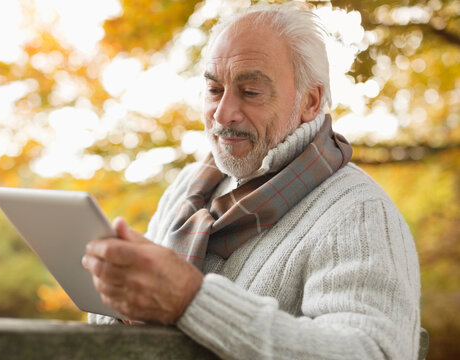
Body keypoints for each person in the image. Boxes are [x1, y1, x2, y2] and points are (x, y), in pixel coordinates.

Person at [82, 3, 421, 359]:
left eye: (251, 92)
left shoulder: (358, 212)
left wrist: (190, 300)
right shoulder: (187, 187)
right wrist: (117, 291)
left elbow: (373, 353)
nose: (224, 113)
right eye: (214, 90)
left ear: (310, 100)